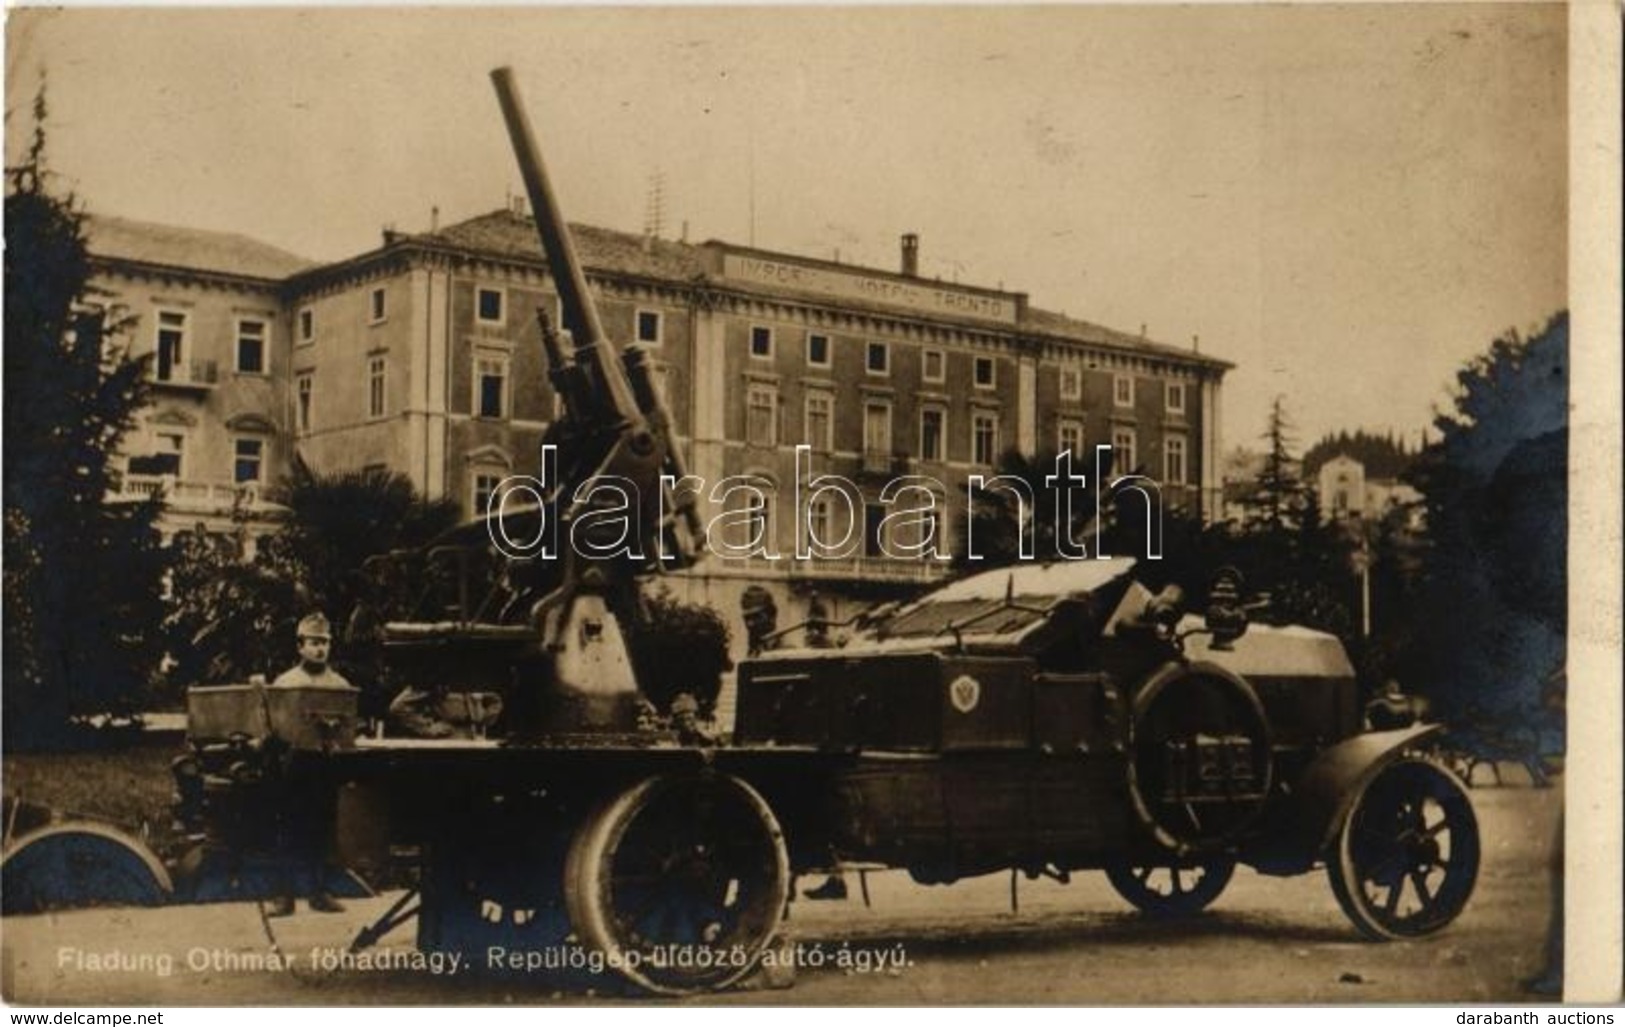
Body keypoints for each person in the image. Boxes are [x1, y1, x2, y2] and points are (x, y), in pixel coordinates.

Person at [267, 612, 351, 916]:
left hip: (325, 765)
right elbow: (273, 728)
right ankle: (283, 896)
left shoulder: (340, 685)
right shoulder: (287, 683)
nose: (320, 649)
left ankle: (319, 892)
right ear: (300, 646)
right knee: (288, 830)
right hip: (293, 767)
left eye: (325, 643)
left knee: (323, 829)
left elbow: (347, 724)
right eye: (314, 643)